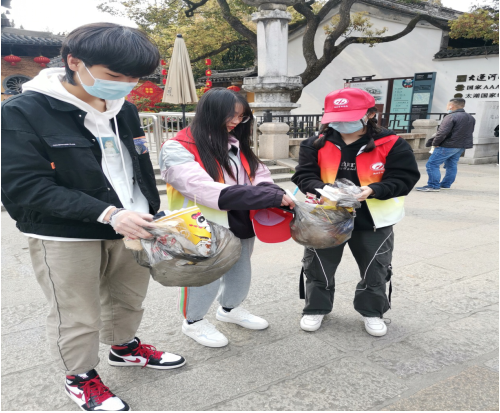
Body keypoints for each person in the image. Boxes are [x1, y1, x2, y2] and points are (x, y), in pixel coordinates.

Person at [1, 23, 186, 412]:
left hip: (133, 225)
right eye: (114, 76)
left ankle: (124, 347)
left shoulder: (125, 110)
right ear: (74, 62)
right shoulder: (23, 111)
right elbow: (25, 185)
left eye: (134, 78)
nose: (125, 85)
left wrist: (150, 209)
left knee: (128, 297)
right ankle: (79, 376)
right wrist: (107, 213)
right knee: (76, 313)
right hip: (66, 233)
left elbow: (136, 164)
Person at [160, 88, 295, 347]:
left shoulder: (235, 143)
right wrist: (264, 196)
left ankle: (230, 308)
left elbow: (260, 175)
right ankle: (193, 321)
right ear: (210, 112)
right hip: (200, 225)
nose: (236, 121)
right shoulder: (177, 147)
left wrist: (272, 192)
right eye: (231, 115)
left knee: (240, 270)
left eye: (241, 116)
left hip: (240, 218)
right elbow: (201, 189)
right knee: (202, 275)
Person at [292, 88, 420, 336]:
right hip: (326, 218)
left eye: (348, 117)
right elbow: (304, 175)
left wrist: (373, 189)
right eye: (336, 118)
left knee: (376, 268)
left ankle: (372, 312)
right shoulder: (315, 143)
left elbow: (404, 178)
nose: (342, 124)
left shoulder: (392, 144)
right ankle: (316, 308)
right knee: (317, 266)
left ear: (371, 114)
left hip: (373, 220)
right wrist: (325, 189)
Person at [417, 98, 475, 192]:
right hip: (461, 146)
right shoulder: (470, 117)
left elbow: (442, 132)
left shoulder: (450, 117)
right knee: (451, 165)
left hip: (448, 145)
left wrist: (435, 143)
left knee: (432, 164)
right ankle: (446, 184)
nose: (447, 107)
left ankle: (433, 185)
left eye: (448, 105)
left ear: (451, 106)